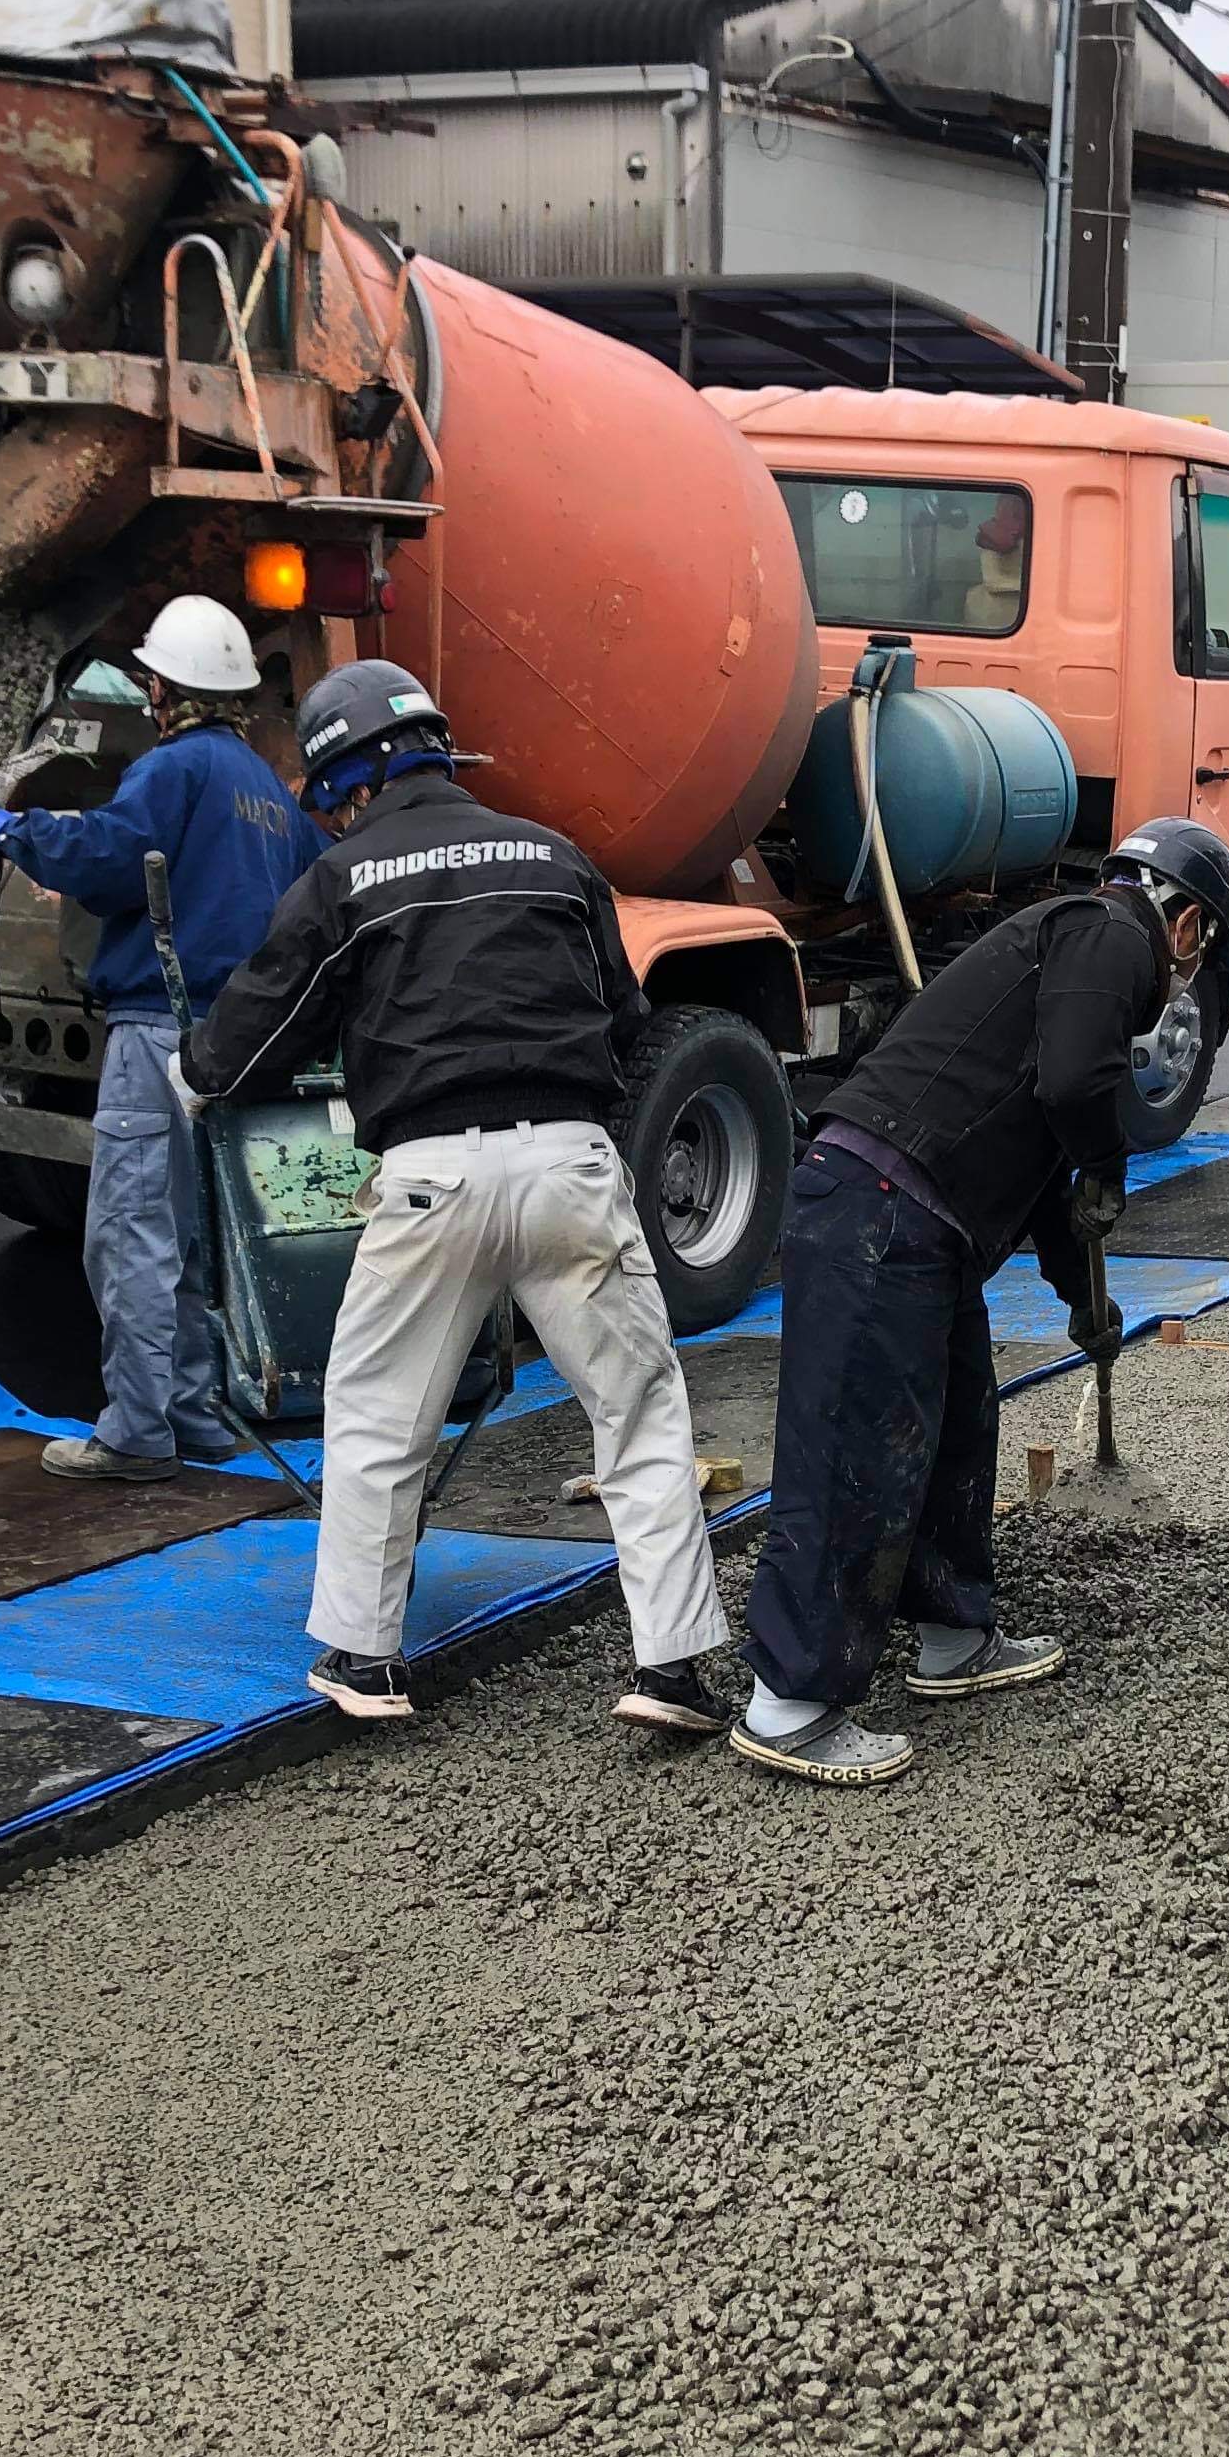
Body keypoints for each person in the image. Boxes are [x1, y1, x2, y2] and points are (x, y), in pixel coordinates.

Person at [178, 658, 735, 1734]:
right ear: (440, 750)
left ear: (349, 784)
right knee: (639, 1414)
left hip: (432, 1176)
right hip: (573, 1164)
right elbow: (623, 1017)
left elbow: (249, 1035)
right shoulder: (554, 855)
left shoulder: (345, 880)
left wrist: (193, 1073)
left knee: (382, 1417)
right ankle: (673, 1672)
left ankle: (365, 1659)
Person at [732, 820, 1229, 1788]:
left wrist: (1079, 1299)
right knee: (854, 1447)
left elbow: (1054, 1163)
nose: (1188, 972)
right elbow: (1074, 1091)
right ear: (1184, 922)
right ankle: (788, 1704)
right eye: (1204, 946)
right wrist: (1105, 1159)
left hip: (920, 1224)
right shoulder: (1108, 932)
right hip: (874, 1206)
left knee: (955, 1428)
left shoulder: (1076, 956)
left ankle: (952, 1637)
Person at [0, 596, 320, 1485]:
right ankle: (196, 1411)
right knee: (189, 1237)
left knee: (131, 1232)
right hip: (236, 1044)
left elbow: (108, 859)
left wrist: (3, 828)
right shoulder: (265, 791)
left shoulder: (173, 769)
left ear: (165, 689)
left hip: (160, 1032)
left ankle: (138, 1433)